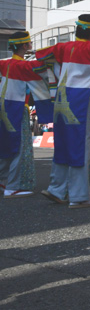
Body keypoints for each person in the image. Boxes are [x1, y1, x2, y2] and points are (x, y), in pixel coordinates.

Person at [37, 14, 90, 208]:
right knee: (83, 145)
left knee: (63, 144)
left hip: (62, 98)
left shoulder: (63, 48)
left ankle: (57, 188)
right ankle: (79, 195)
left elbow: (41, 55)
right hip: (82, 98)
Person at [0, 31, 52, 198]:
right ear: (24, 46)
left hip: (3, 108)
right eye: (29, 42)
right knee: (19, 147)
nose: (31, 44)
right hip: (17, 109)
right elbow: (46, 71)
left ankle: (2, 180)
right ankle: (13, 187)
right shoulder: (25, 66)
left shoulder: (4, 64)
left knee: (5, 145)